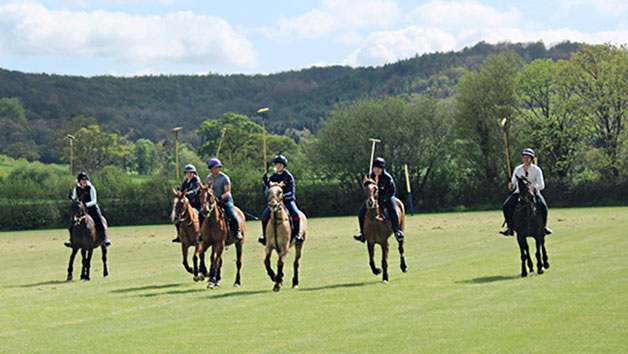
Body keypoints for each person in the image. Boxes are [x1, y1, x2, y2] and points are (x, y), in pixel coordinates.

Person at [499, 148, 553, 236]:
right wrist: (511, 186)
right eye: (524, 157)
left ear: (531, 159)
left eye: (527, 158)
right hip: (519, 193)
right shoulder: (518, 169)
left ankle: (544, 226)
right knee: (506, 206)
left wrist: (534, 188)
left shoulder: (536, 170)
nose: (525, 159)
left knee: (544, 206)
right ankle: (509, 227)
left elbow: (541, 185)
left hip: (533, 193)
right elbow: (513, 183)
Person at [354, 157, 405, 243]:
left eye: (378, 168)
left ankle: (397, 231)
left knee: (393, 210)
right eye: (374, 168)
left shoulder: (387, 178)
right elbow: (365, 188)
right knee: (361, 212)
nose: (376, 170)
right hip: (373, 198)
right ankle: (363, 234)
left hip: (387, 197)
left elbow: (392, 190)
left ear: (382, 169)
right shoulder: (369, 176)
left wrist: (385, 198)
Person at [259, 155, 304, 246]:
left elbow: (292, 192)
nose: (278, 166)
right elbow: (268, 191)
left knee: (295, 213)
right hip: (275, 202)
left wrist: (282, 197)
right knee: (264, 216)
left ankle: (297, 235)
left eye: (280, 164)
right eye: (277, 164)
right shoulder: (273, 177)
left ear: (283, 166)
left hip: (288, 200)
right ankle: (265, 237)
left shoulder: (288, 176)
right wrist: (265, 183)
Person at [65, 172, 112, 247]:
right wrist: (71, 197)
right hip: (80, 210)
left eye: (85, 180)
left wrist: (85, 205)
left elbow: (94, 201)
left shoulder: (91, 188)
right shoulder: (76, 188)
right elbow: (75, 199)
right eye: (82, 180)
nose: (84, 181)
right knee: (72, 224)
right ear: (79, 181)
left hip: (92, 208)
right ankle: (71, 240)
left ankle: (105, 239)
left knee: (100, 222)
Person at [206, 158, 243, 240]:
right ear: (211, 169)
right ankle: (201, 234)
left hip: (225, 200)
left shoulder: (224, 178)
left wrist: (219, 198)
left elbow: (228, 192)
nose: (216, 169)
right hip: (213, 201)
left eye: (217, 167)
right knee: (202, 213)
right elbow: (207, 190)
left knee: (231, 214)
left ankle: (237, 231)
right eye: (214, 168)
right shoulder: (209, 178)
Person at [172, 164, 202, 243]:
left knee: (201, 216)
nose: (189, 174)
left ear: (194, 173)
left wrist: (186, 194)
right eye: (187, 173)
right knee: (177, 218)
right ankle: (179, 235)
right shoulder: (185, 182)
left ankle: (201, 234)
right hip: (187, 204)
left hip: (196, 203)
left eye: (190, 172)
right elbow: (182, 192)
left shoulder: (196, 180)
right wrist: (179, 193)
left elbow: (195, 191)